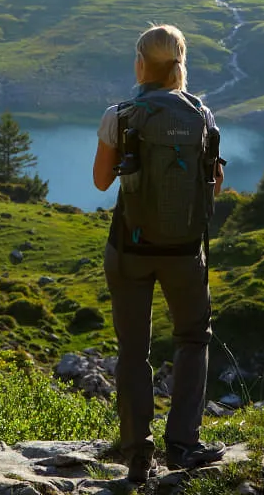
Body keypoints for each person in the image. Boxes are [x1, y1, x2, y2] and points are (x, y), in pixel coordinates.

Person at [92, 24, 227, 483]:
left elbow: (101, 180)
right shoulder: (204, 117)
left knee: (134, 349)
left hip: (129, 247)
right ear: (180, 65)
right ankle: (184, 445)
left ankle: (136, 454)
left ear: (139, 63)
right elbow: (215, 185)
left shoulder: (122, 114)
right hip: (186, 250)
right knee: (192, 338)